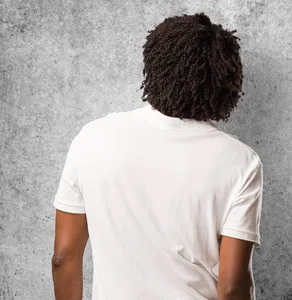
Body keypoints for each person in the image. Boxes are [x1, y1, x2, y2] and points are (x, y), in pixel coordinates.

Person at [51, 12, 262, 300]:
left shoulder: (92, 138)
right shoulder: (241, 163)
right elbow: (233, 287)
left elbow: (63, 257)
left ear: (155, 66)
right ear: (225, 81)